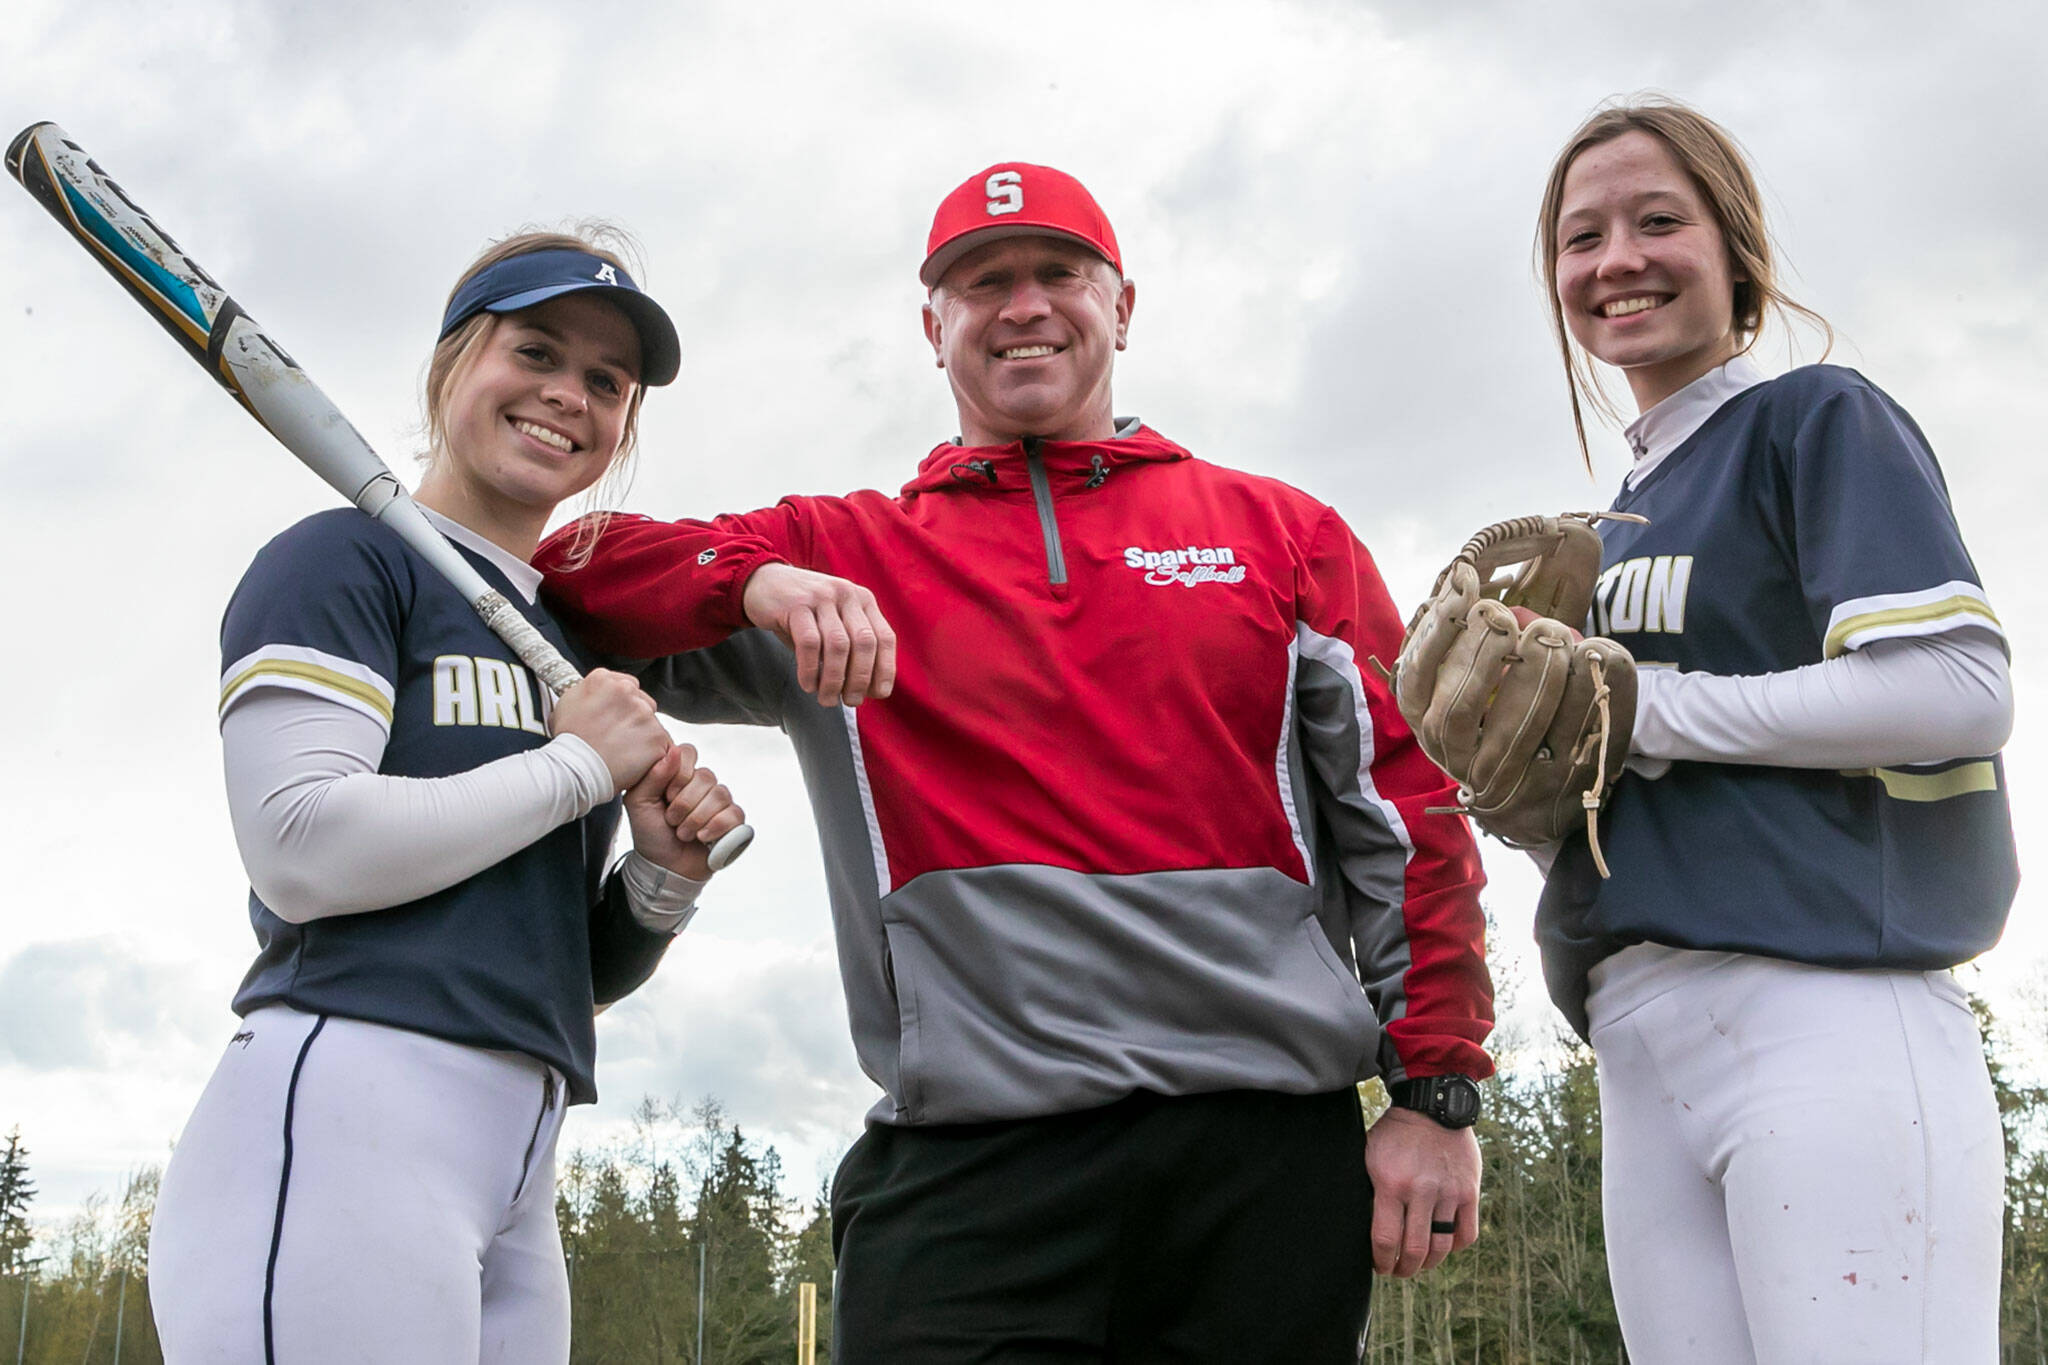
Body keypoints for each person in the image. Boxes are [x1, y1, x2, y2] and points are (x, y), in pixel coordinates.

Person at [538, 163, 1494, 1362]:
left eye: (1059, 274)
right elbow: (565, 565)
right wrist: (757, 581)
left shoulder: (1279, 534)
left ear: (1123, 306)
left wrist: (1432, 1094)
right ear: (931, 327)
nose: (1023, 304)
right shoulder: (839, 557)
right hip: (967, 1170)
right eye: (982, 282)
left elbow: (1406, 816)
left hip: (1259, 1163)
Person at [147, 231, 747, 1364]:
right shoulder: (341, 560)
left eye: (606, 383)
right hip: (348, 1106)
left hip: (519, 1157)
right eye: (535, 350)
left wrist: (661, 878)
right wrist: (576, 769)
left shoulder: (572, 646)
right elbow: (300, 847)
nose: (568, 394)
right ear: (450, 369)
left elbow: (559, 969)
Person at [1530, 98, 2017, 1362]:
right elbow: (1641, 770)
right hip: (1639, 1036)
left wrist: (1649, 708)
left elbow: (1953, 686)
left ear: (1735, 249)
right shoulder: (1611, 519)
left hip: (1822, 1007)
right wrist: (1534, 804)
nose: (1614, 260)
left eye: (1655, 221)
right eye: (1580, 239)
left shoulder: (1813, 417)